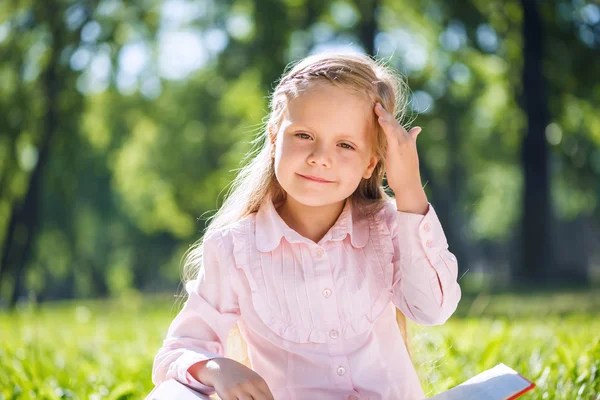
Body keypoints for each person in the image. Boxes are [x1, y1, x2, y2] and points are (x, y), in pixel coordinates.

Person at [151, 52, 461, 400]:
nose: (320, 157)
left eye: (345, 144)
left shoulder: (388, 228)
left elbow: (433, 309)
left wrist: (409, 191)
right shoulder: (234, 247)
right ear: (273, 139)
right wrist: (216, 369)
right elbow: (177, 352)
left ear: (371, 162)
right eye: (303, 135)